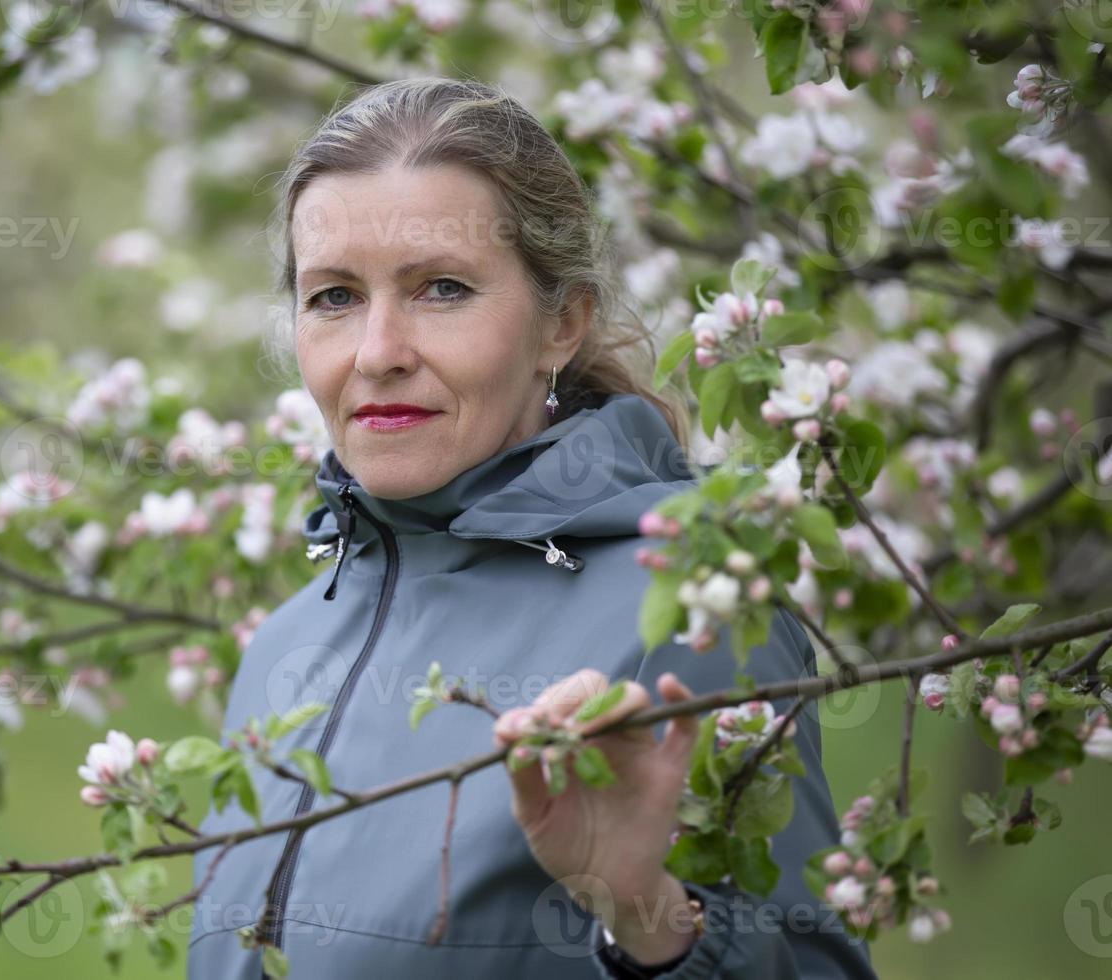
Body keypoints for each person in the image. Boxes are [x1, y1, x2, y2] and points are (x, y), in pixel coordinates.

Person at [185, 76, 876, 980]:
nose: (378, 351)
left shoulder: (687, 606)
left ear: (562, 322)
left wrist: (645, 915)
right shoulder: (285, 644)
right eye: (334, 297)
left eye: (441, 288)